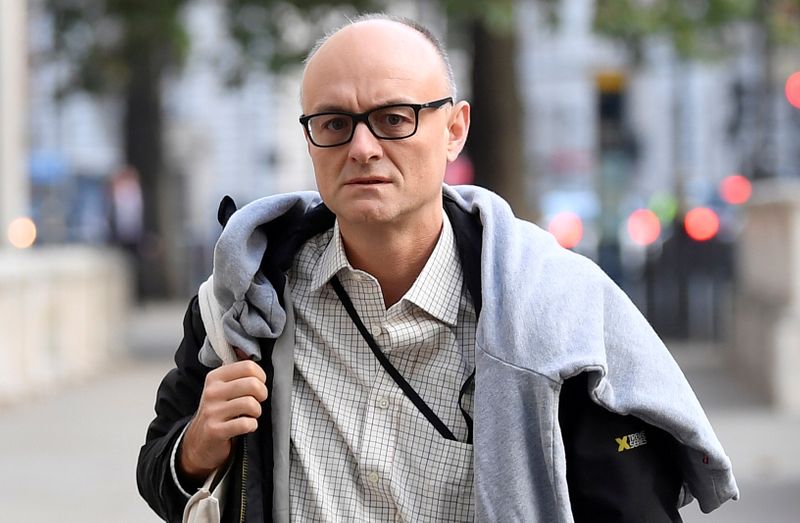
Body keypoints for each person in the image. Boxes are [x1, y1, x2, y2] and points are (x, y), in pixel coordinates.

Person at [137, 13, 738, 522]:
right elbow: (158, 472)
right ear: (311, 138)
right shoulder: (243, 303)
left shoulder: (557, 317)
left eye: (394, 118)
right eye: (334, 124)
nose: (363, 148)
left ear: (454, 130)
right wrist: (197, 447)